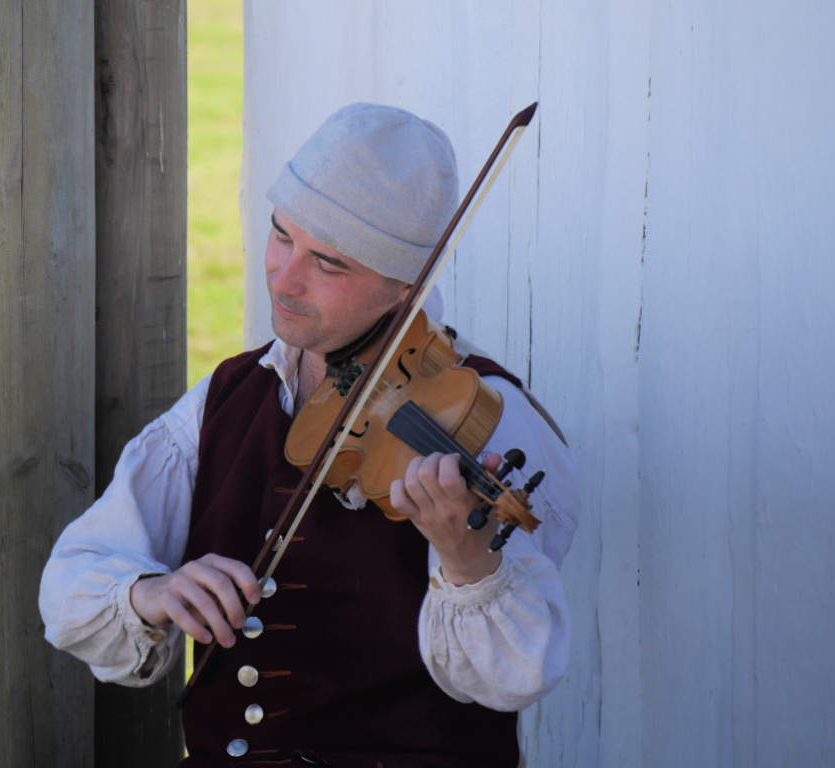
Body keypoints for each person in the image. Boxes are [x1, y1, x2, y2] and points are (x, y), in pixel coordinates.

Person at [39, 103, 578, 768]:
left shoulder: (493, 419)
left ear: (404, 287)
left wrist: (469, 564)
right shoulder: (229, 397)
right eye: (280, 235)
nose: (284, 277)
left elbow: (512, 679)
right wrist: (148, 593)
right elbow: (70, 586)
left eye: (328, 263)